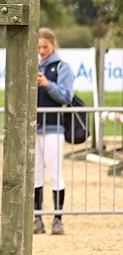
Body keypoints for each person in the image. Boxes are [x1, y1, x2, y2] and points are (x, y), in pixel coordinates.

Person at [35, 27, 73, 235]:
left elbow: (66, 96)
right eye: (39, 47)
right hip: (35, 127)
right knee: (36, 174)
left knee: (55, 172)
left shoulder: (62, 67)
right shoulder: (33, 65)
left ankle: (58, 218)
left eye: (45, 46)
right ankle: (37, 217)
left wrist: (48, 85)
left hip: (53, 127)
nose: (41, 51)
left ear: (52, 45)